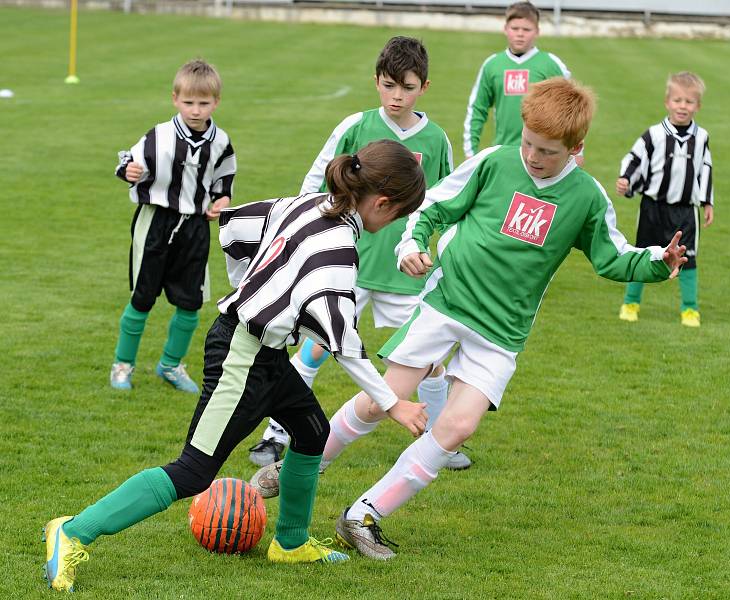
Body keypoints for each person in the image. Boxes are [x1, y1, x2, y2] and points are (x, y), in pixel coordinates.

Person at [259, 78, 687, 560]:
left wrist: (657, 260)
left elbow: (613, 256)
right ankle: (301, 464)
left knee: (459, 426)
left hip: (502, 330)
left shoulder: (586, 198)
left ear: (576, 148)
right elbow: (433, 207)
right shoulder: (493, 162)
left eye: (547, 151)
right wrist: (413, 245)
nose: (532, 156)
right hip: (448, 303)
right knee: (384, 399)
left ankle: (362, 515)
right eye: (527, 143)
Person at [42, 140, 429, 592]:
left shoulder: (307, 204)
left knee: (310, 432)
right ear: (382, 202)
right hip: (240, 357)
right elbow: (343, 343)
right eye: (399, 214)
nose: (395, 224)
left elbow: (233, 228)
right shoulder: (338, 251)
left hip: (264, 351)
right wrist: (393, 403)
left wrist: (248, 289)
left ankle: (290, 543)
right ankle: (71, 532)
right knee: (192, 471)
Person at [249, 36, 471, 471]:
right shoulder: (355, 127)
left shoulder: (437, 140)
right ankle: (276, 434)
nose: (397, 96)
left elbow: (445, 204)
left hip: (405, 274)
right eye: (389, 86)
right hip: (345, 271)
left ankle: (440, 439)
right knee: (314, 348)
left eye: (407, 87)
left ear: (424, 88)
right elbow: (314, 185)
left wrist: (437, 251)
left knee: (427, 361)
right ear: (377, 83)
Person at [109, 59, 236, 393]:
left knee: (190, 302)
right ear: (175, 99)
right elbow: (129, 162)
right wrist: (130, 171)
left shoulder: (220, 142)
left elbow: (224, 181)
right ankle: (122, 365)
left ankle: (171, 365)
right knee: (142, 298)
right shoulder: (159, 136)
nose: (195, 110)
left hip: (194, 228)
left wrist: (221, 201)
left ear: (216, 102)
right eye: (189, 102)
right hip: (156, 223)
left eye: (203, 103)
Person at [617, 71, 714, 327]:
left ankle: (690, 309)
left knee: (688, 260)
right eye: (678, 100)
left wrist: (707, 202)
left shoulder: (701, 137)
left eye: (689, 101)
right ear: (667, 102)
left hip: (685, 212)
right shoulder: (654, 134)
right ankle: (631, 303)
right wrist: (626, 179)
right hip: (653, 208)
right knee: (643, 256)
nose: (683, 106)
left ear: (698, 106)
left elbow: (706, 168)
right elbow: (634, 158)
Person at [463, 2, 575, 162]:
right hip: (503, 152)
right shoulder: (493, 65)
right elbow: (477, 109)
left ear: (537, 31)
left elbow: (572, 109)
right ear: (505, 29)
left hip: (542, 155)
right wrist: (470, 151)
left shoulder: (551, 64)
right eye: (515, 28)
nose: (520, 34)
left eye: (527, 29)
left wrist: (577, 152)